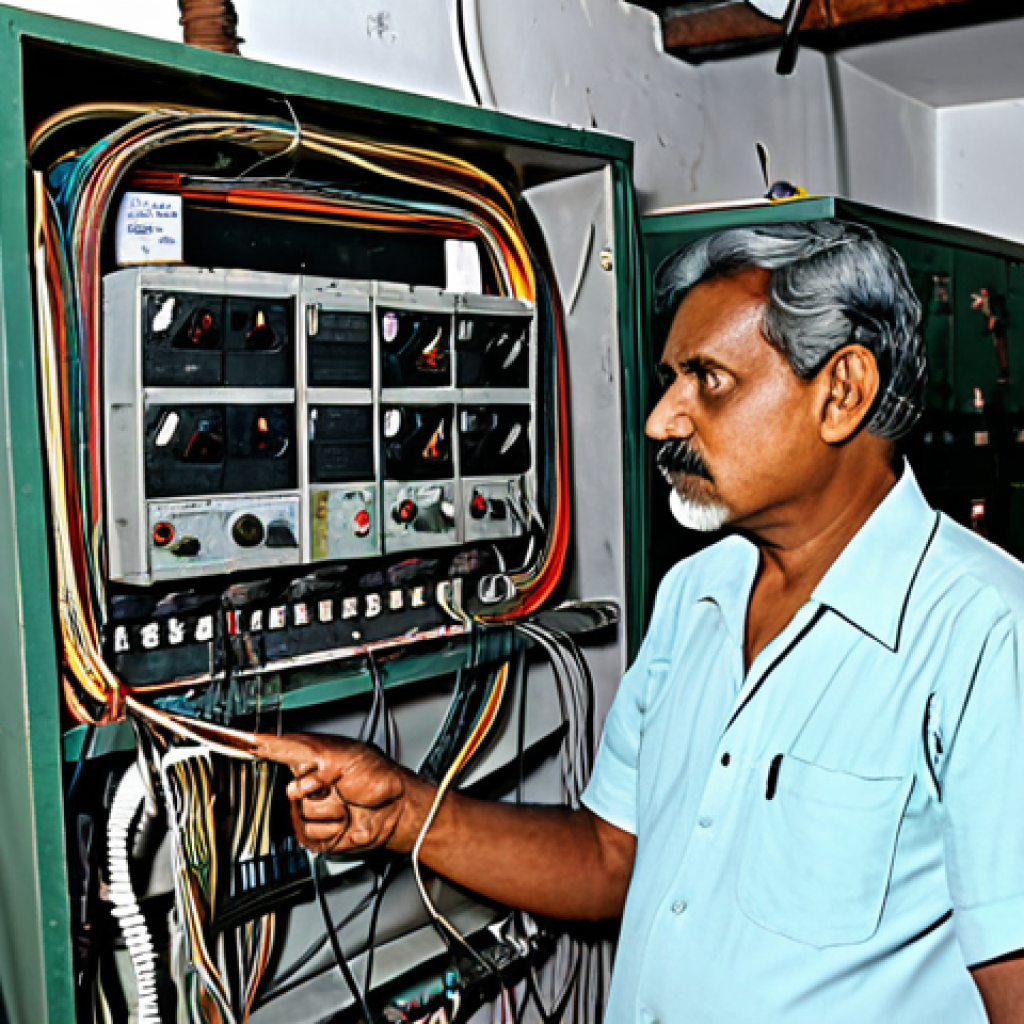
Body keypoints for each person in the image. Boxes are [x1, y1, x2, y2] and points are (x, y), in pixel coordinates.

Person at [258, 221, 1024, 1023]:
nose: (662, 419)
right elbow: (608, 856)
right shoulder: (697, 592)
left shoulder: (983, 636)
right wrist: (404, 813)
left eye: (709, 379)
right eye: (670, 379)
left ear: (842, 392)